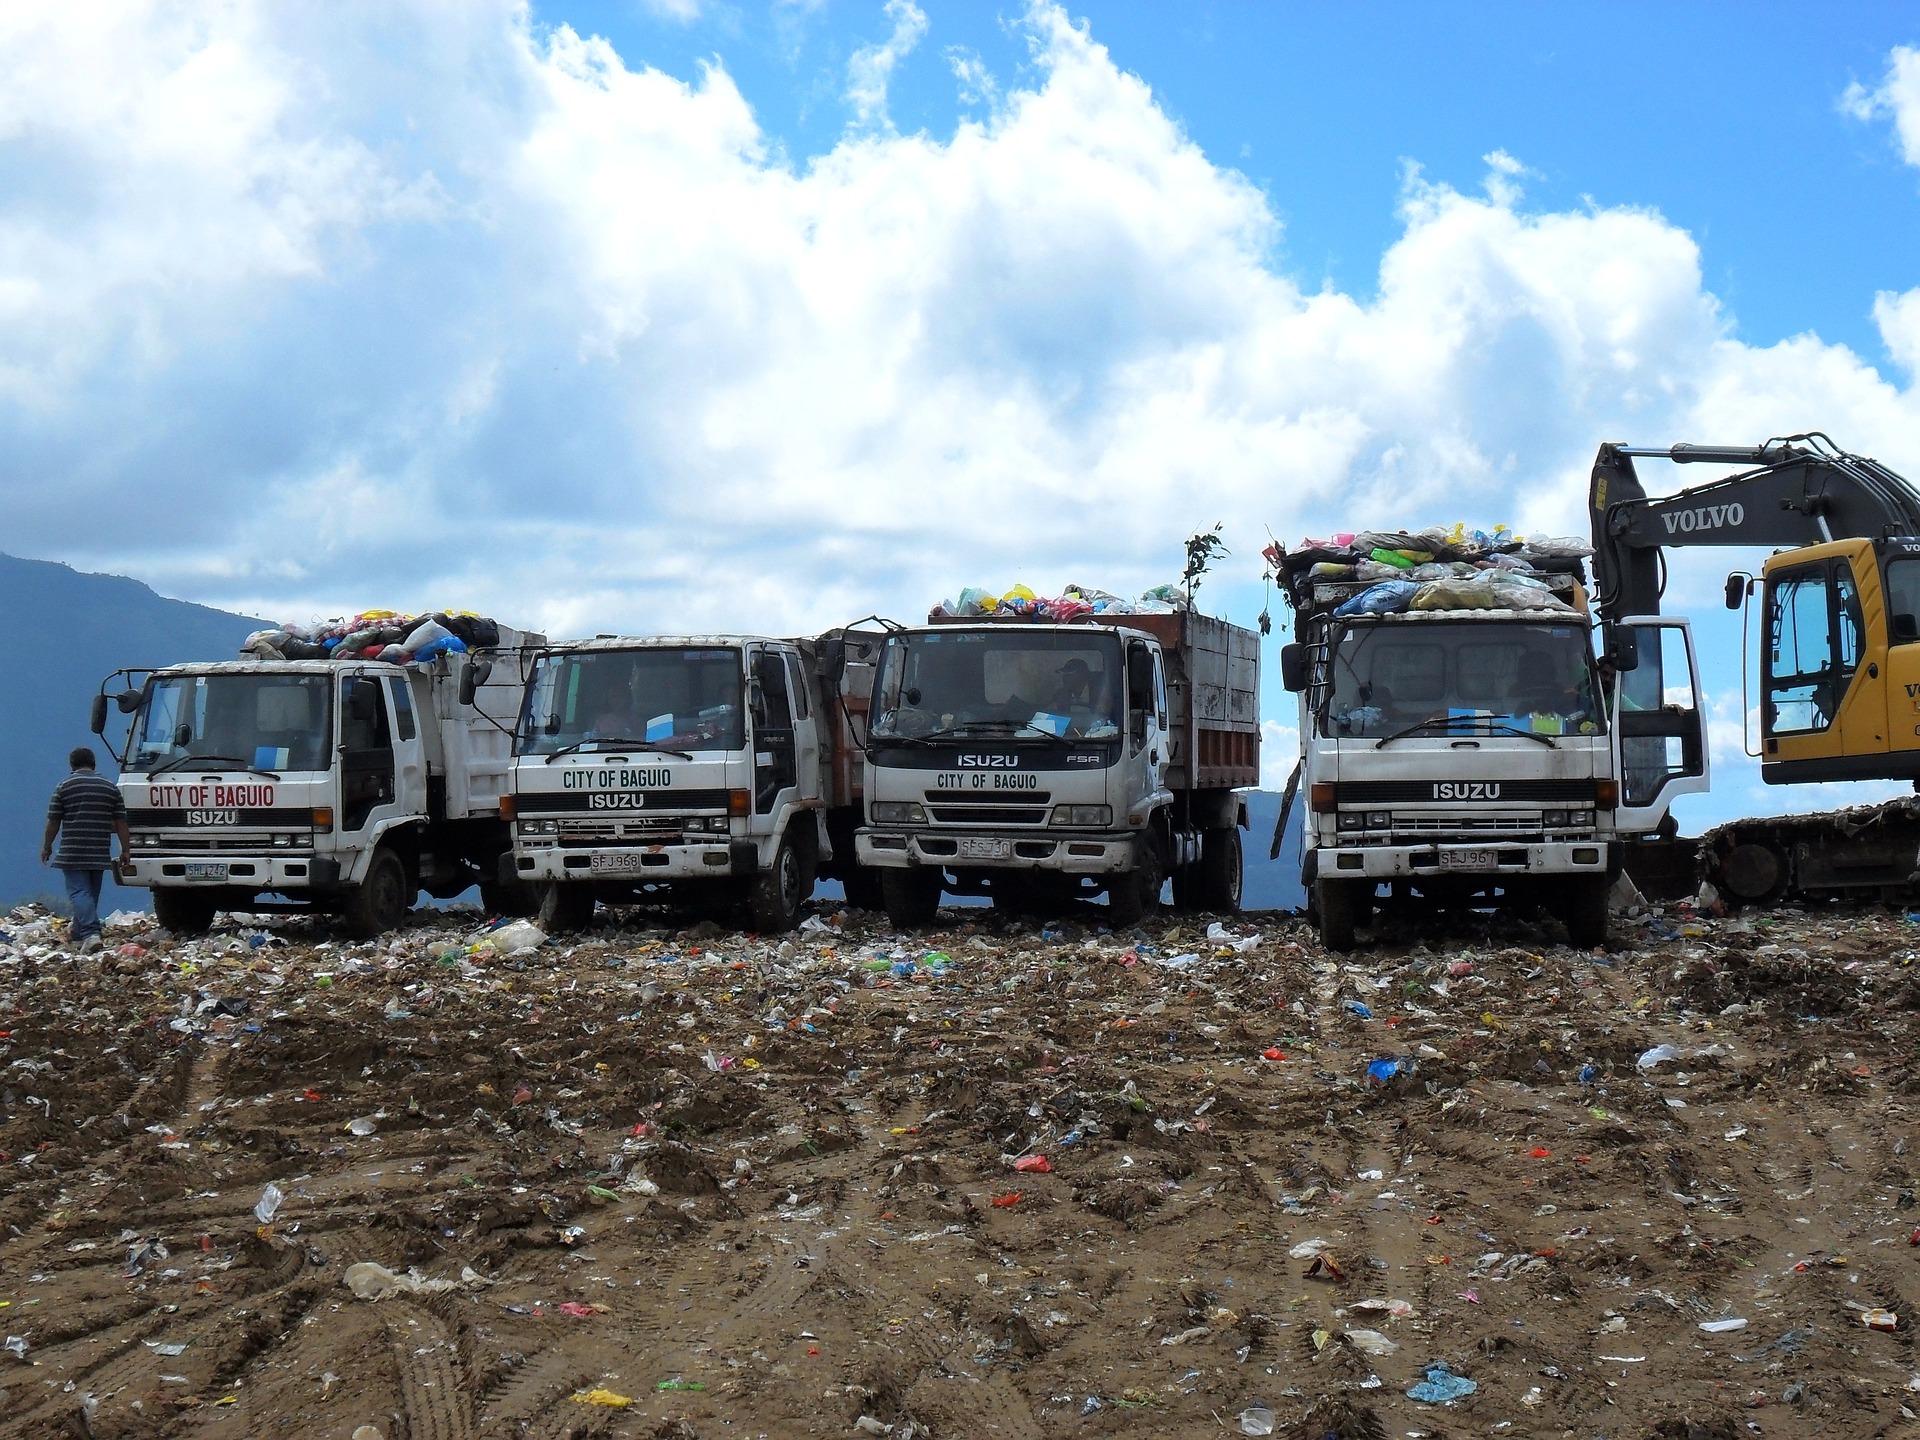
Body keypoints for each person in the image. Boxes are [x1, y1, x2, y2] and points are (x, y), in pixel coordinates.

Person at [41, 747, 131, 953]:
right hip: (99, 850)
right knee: (89, 895)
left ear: (72, 765)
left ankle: (91, 933)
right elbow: (121, 823)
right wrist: (126, 850)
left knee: (80, 893)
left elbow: (53, 821)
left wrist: (47, 846)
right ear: (94, 763)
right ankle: (78, 935)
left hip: (73, 850)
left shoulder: (64, 787)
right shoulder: (109, 787)